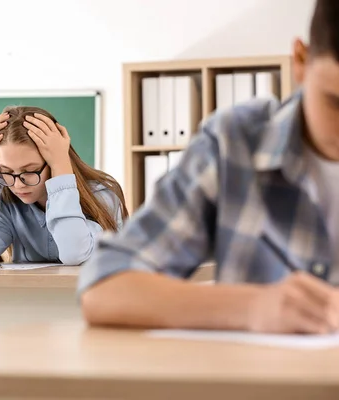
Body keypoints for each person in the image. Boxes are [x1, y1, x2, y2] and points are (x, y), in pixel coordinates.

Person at [79, 0, 339, 335]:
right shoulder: (234, 143)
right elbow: (105, 288)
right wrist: (254, 306)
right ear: (300, 60)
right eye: (335, 102)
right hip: (260, 385)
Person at [0, 106, 128, 266]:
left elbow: (74, 253)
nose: (18, 184)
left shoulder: (101, 194)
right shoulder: (8, 203)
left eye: (30, 171)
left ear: (52, 163)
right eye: (6, 171)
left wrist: (61, 165)